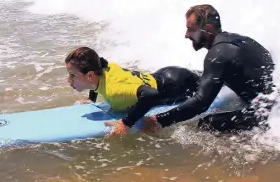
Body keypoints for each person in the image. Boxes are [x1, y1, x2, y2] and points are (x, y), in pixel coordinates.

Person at [112, 4, 278, 136]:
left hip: (269, 113)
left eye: (191, 29)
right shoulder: (238, 40)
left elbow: (200, 103)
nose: (186, 35)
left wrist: (159, 120)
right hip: (279, 102)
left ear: (208, 29)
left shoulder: (218, 55)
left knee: (207, 123)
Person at [65, 46, 201, 137]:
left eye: (72, 75)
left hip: (176, 86)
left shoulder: (114, 90)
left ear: (89, 75)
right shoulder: (101, 70)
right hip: (167, 74)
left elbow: (151, 94)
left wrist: (126, 123)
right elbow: (96, 78)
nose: (68, 79)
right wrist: (92, 99)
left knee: (213, 81)